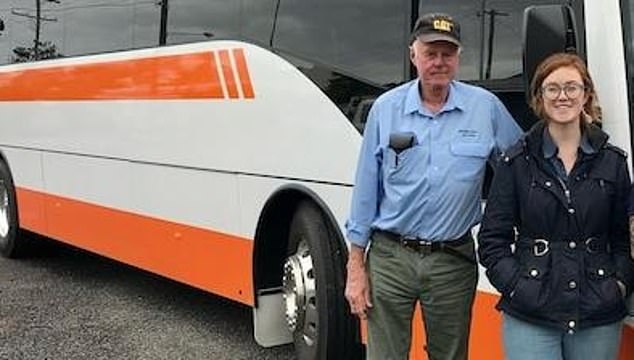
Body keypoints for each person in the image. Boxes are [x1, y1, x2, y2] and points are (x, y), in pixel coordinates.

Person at [344, 13, 522, 360]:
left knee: (450, 355)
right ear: (414, 56)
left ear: (458, 57)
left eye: (447, 53)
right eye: (430, 53)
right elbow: (366, 191)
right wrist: (356, 267)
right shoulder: (386, 109)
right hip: (390, 259)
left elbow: (522, 168)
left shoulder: (485, 108)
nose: (439, 62)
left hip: (451, 261)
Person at [478, 52, 634, 359]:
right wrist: (518, 288)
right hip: (531, 313)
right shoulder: (516, 161)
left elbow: (622, 239)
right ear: (540, 96)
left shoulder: (613, 162)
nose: (563, 96)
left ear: (586, 94)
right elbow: (492, 241)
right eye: (552, 88)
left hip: (597, 311)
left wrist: (618, 285)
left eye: (572, 87)